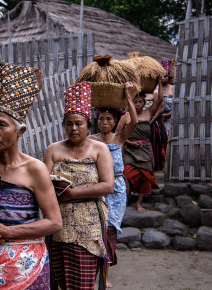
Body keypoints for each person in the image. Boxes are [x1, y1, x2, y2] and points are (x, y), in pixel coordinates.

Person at [0, 61, 62, 290]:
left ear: (21, 131)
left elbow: (54, 222)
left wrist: (9, 232)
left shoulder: (34, 169)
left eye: (2, 125)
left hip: (26, 268)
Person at [44, 82, 114, 290]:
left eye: (78, 123)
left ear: (88, 125)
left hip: (89, 224)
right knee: (59, 278)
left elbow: (108, 186)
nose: (73, 128)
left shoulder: (99, 149)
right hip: (58, 222)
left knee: (83, 281)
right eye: (68, 123)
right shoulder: (53, 150)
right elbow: (44, 183)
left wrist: (73, 194)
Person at [88, 82, 138, 288]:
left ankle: (105, 275)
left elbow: (134, 121)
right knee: (95, 231)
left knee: (110, 232)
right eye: (101, 118)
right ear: (97, 121)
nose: (105, 122)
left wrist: (128, 96)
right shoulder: (91, 140)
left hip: (116, 190)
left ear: (115, 120)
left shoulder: (120, 138)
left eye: (109, 118)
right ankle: (93, 272)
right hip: (98, 188)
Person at [116, 77, 164, 212]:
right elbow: (118, 135)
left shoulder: (148, 113)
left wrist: (159, 82)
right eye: (135, 101)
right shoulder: (125, 117)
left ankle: (138, 203)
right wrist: (130, 143)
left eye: (141, 102)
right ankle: (125, 197)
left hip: (145, 150)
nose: (138, 104)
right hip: (129, 150)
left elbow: (160, 100)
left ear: (144, 103)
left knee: (145, 176)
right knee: (127, 174)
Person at [160, 60, 175, 137]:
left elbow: (177, 104)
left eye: (165, 76)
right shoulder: (155, 89)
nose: (163, 78)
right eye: (161, 76)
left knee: (169, 135)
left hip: (171, 116)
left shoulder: (173, 88)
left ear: (168, 77)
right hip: (158, 117)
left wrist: (169, 114)